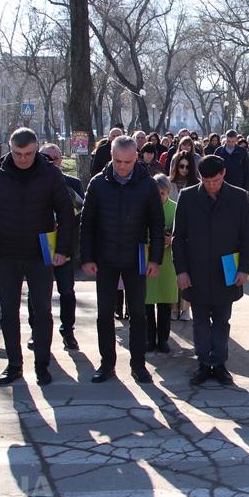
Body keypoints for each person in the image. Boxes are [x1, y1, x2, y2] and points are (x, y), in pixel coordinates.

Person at [0, 128, 76, 387]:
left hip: (40, 255)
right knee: (8, 312)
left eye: (29, 153)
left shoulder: (50, 174)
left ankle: (42, 365)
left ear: (36, 149)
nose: (23, 159)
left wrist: (62, 250)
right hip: (6, 254)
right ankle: (14, 365)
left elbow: (66, 212)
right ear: (10, 149)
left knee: (42, 311)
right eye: (18, 153)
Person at [80, 136, 165, 384]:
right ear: (111, 157)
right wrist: (87, 257)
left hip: (136, 258)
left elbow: (156, 226)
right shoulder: (98, 184)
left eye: (127, 162)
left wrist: (155, 259)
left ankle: (139, 365)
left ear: (135, 158)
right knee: (105, 313)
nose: (122, 166)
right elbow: (87, 225)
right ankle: (107, 364)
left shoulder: (147, 185)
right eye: (117, 161)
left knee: (138, 314)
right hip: (105, 258)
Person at [173, 155, 249, 386]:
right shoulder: (187, 197)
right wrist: (181, 270)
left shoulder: (238, 197)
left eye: (216, 180)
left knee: (221, 319)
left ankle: (218, 363)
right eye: (207, 181)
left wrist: (245, 268)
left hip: (227, 270)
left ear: (224, 174)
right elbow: (179, 238)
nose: (212, 185)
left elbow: (247, 238)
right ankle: (203, 363)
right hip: (196, 271)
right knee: (199, 321)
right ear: (199, 177)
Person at [26, 143, 84, 352]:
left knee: (66, 291)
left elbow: (80, 214)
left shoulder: (72, 183)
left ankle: (68, 331)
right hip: (37, 246)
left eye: (55, 158)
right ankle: (36, 331)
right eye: (45, 157)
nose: (50, 161)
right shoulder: (30, 180)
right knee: (38, 292)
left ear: (61, 160)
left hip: (63, 246)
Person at [145, 175, 178, 354]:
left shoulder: (175, 209)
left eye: (163, 193)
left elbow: (182, 235)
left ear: (168, 192)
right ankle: (150, 339)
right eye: (156, 193)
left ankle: (163, 339)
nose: (160, 197)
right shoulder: (144, 208)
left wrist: (170, 240)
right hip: (148, 258)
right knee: (147, 303)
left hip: (168, 262)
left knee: (165, 303)